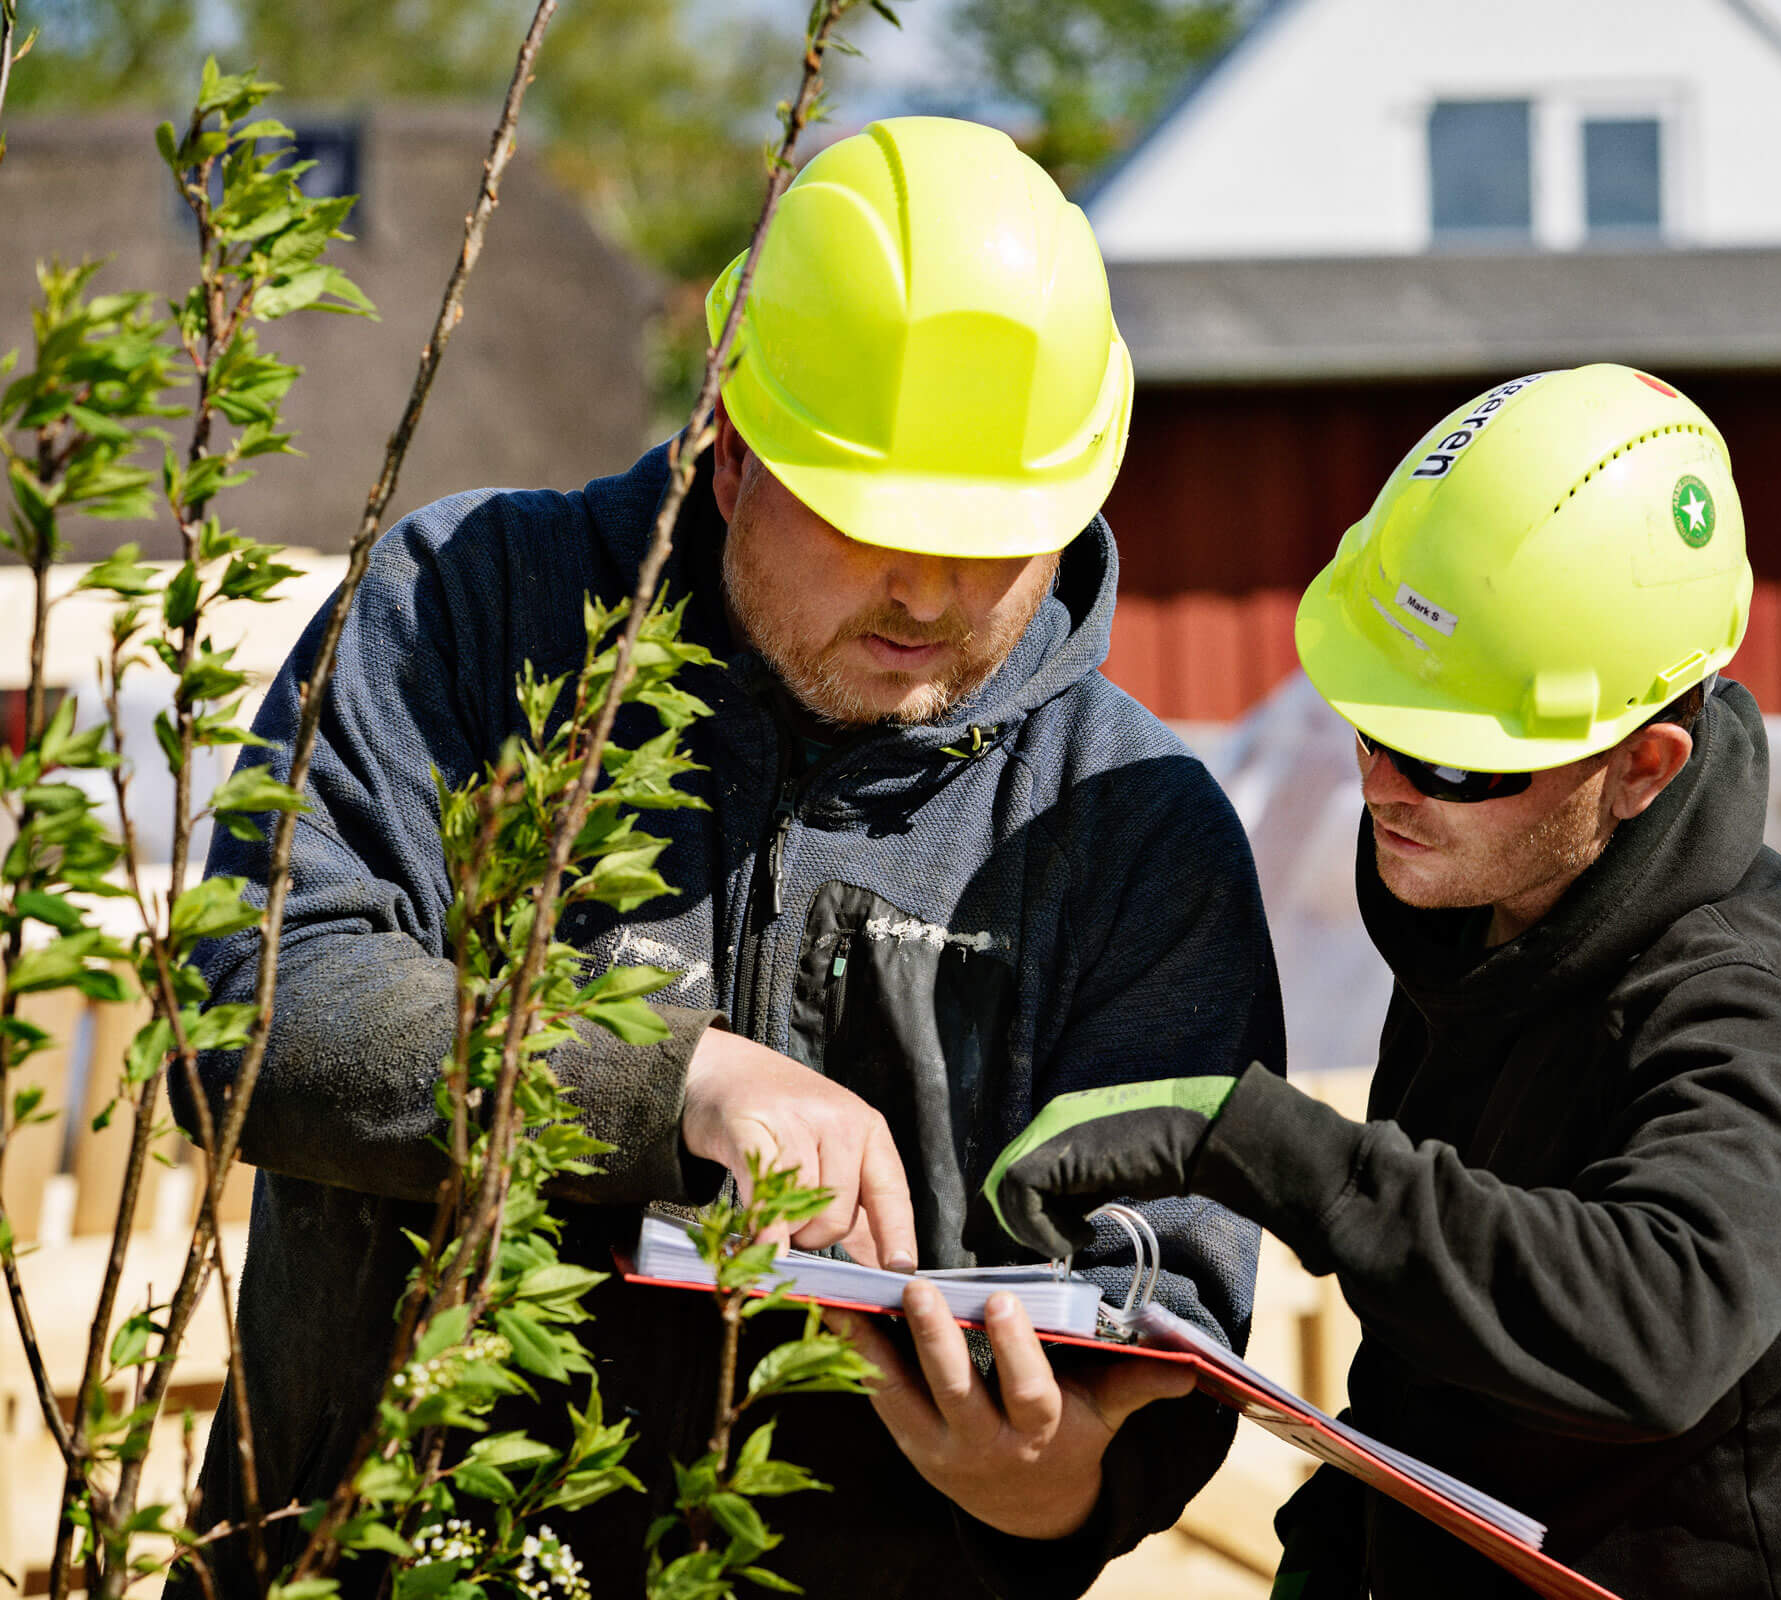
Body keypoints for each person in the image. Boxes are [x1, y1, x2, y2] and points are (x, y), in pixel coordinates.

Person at [184, 116, 1282, 1598]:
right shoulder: (466, 614)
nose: (930, 591)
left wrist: (1059, 1483)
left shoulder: (1136, 827)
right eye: (872, 519)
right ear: (730, 444)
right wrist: (671, 1076)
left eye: (999, 534)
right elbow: (248, 1009)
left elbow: (1174, 1298)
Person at [983, 364, 1781, 1597]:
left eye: (1456, 762)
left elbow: (1663, 1324)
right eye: (1374, 722)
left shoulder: (1746, 1000)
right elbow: (1428, 1375)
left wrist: (1259, 1146)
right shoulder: (1487, 913)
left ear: (1645, 768)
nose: (1387, 783)